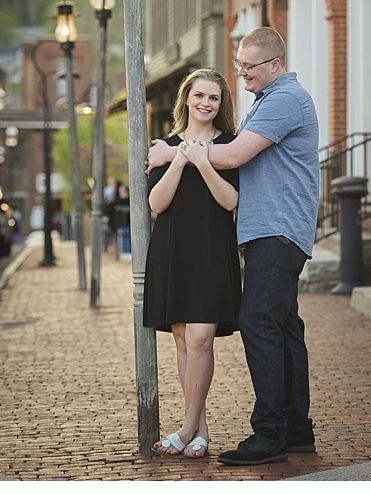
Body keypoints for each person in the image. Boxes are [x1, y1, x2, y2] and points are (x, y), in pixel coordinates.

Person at [147, 27, 320, 466]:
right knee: (283, 327)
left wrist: (173, 153)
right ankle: (296, 429)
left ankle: (270, 436)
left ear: (274, 65)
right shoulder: (267, 101)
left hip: (277, 230)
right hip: (271, 231)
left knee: (259, 321)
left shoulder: (283, 100)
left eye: (248, 66)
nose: (240, 72)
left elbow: (232, 156)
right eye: (239, 64)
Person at [144, 69, 241, 459]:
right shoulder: (164, 147)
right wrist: (180, 159)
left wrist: (202, 162)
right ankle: (200, 428)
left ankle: (185, 428)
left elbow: (230, 201)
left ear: (221, 105)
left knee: (201, 339)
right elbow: (156, 203)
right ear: (187, 99)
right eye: (199, 95)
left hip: (212, 251)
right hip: (173, 250)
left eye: (214, 98)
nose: (206, 103)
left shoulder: (231, 147)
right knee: (184, 340)